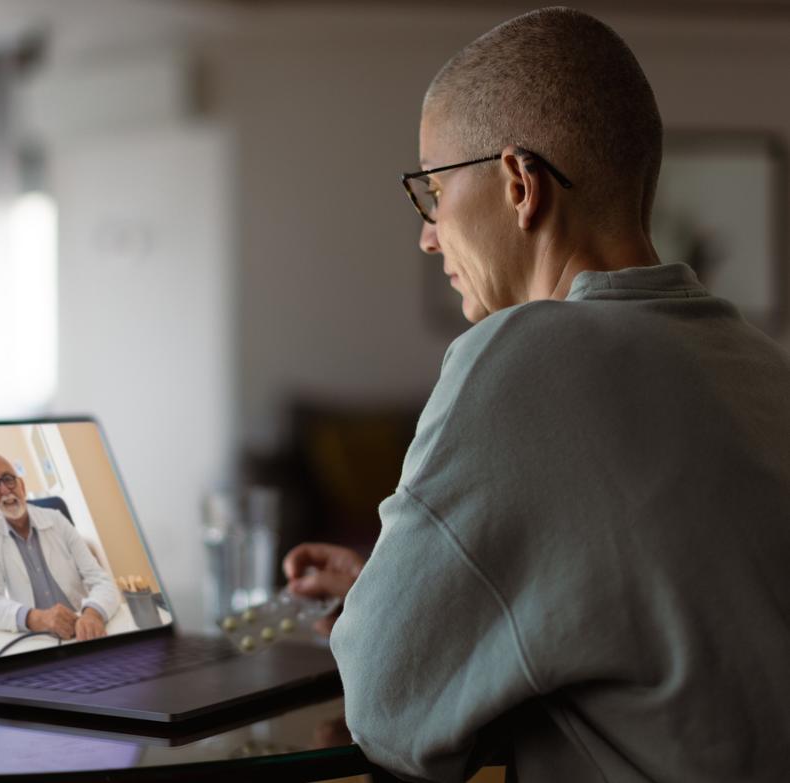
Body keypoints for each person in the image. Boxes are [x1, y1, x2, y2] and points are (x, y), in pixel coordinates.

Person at [285, 7, 790, 782]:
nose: (427, 234)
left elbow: (387, 709)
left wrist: (385, 625)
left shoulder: (519, 355)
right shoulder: (762, 364)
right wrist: (414, 588)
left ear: (519, 185)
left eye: (433, 191)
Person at [0, 450, 120, 641]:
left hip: (82, 629)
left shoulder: (57, 520)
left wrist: (92, 614)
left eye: (8, 479)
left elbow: (101, 581)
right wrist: (37, 618)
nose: (4, 489)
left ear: (22, 485)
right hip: (38, 638)